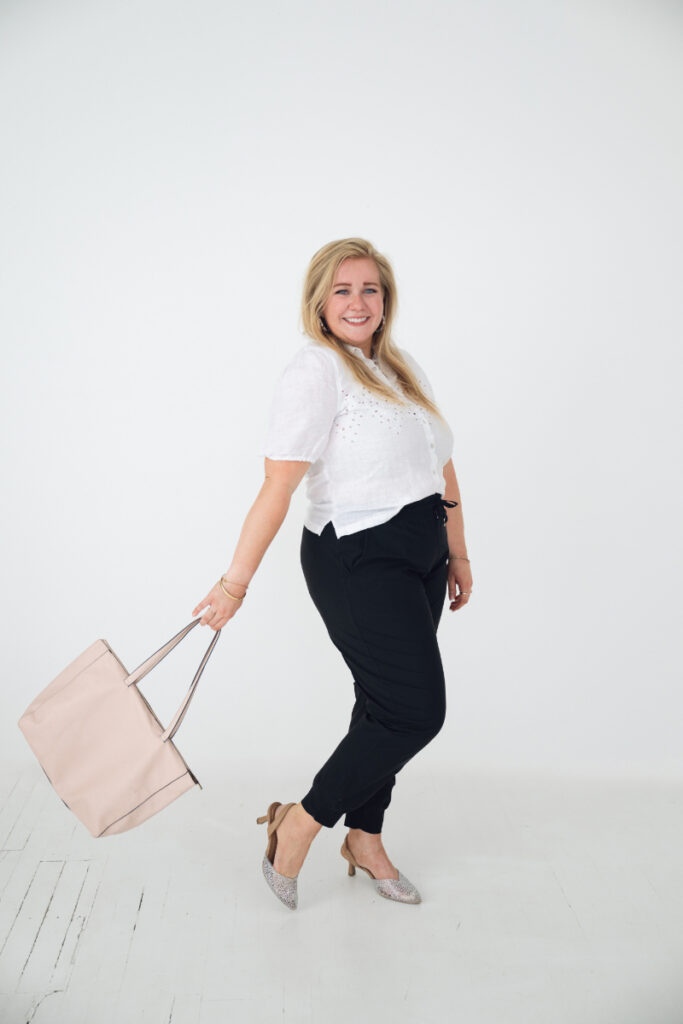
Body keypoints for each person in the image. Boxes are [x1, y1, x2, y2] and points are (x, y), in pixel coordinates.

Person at [192, 237, 472, 910]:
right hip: (356, 555)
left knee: (382, 705)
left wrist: (457, 551)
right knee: (415, 712)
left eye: (369, 289)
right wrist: (235, 581)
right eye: (342, 290)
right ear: (319, 300)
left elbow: (441, 465)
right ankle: (301, 823)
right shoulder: (316, 371)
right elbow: (276, 485)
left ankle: (365, 838)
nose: (357, 302)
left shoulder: (400, 366)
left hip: (422, 550)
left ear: (385, 300)